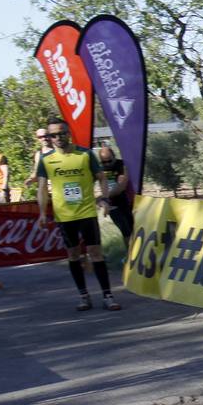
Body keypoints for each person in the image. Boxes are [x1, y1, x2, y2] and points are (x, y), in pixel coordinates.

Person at [36, 119, 121, 311]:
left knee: (95, 253)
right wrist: (42, 213)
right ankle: (84, 296)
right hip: (64, 216)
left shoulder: (84, 154)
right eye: (53, 135)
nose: (58, 138)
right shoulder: (46, 159)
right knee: (73, 255)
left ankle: (108, 295)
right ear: (48, 137)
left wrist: (105, 199)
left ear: (68, 133)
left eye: (62, 133)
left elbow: (102, 178)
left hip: (86, 212)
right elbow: (42, 187)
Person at [97, 146, 134, 248]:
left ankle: (134, 255)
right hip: (112, 205)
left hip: (125, 201)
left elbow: (121, 187)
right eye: (104, 162)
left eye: (109, 161)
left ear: (114, 157)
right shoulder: (99, 168)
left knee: (132, 231)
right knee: (125, 231)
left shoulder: (121, 165)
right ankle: (130, 255)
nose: (107, 164)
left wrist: (102, 197)